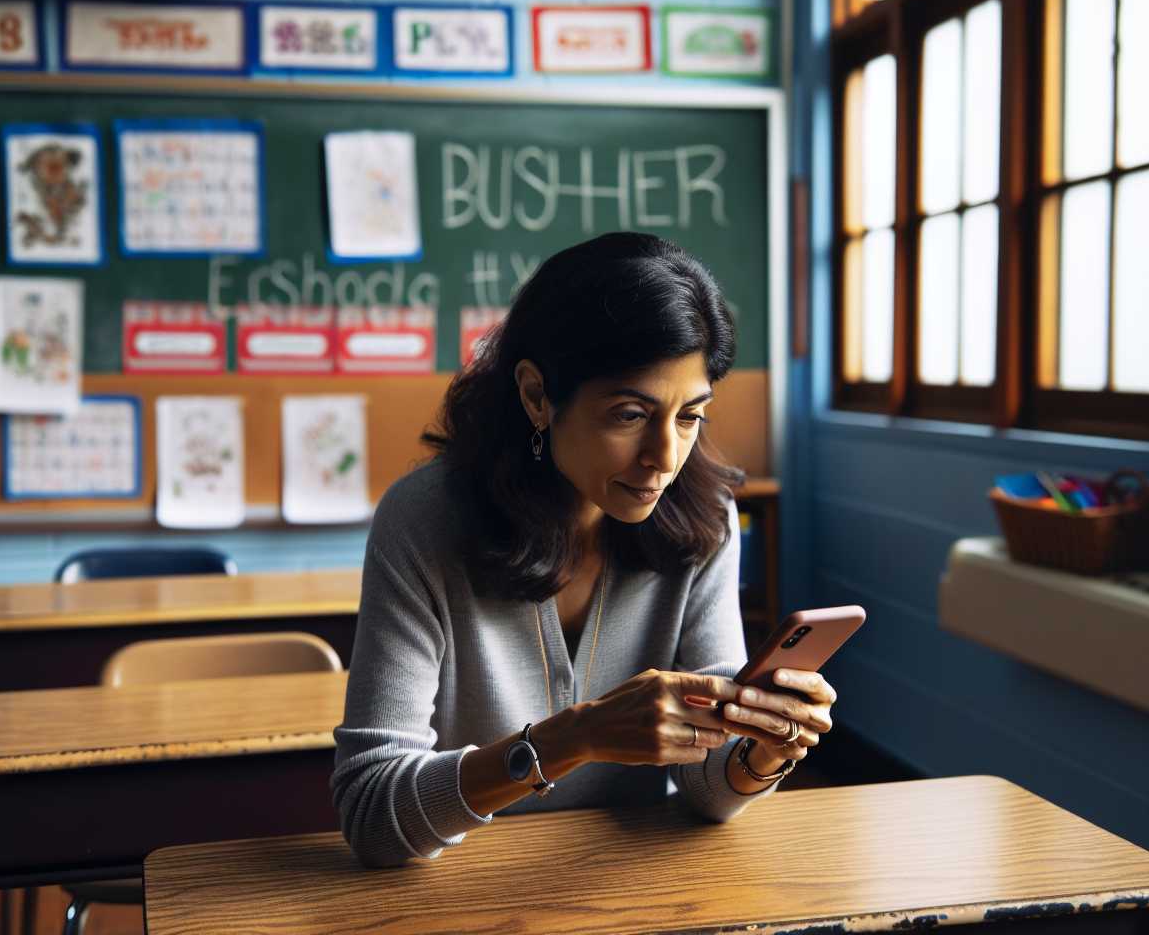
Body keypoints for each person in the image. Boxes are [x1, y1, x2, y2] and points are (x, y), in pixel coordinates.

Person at [331, 232, 837, 867]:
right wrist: (577, 737)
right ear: (537, 396)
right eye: (629, 415)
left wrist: (760, 752)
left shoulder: (707, 518)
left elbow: (707, 791)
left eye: (690, 417)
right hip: (458, 889)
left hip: (619, 885)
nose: (665, 458)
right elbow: (373, 815)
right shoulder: (425, 521)